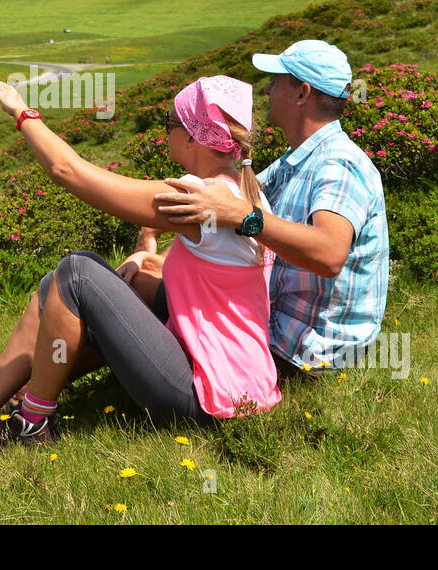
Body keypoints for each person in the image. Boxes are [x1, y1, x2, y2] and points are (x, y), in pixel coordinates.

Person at [0, 75, 279, 462]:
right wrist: (147, 255)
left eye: (171, 122)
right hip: (236, 384)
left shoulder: (199, 199)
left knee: (77, 272)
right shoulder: (243, 193)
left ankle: (32, 423)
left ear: (193, 137)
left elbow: (70, 172)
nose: (165, 131)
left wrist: (21, 112)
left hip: (205, 396)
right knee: (54, 285)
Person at [153, 40, 389, 376]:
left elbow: (329, 253)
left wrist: (245, 218)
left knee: (126, 294)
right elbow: (230, 192)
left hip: (308, 353)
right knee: (151, 282)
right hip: (287, 331)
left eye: (276, 81)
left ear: (302, 93)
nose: (268, 88)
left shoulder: (339, 165)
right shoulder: (297, 160)